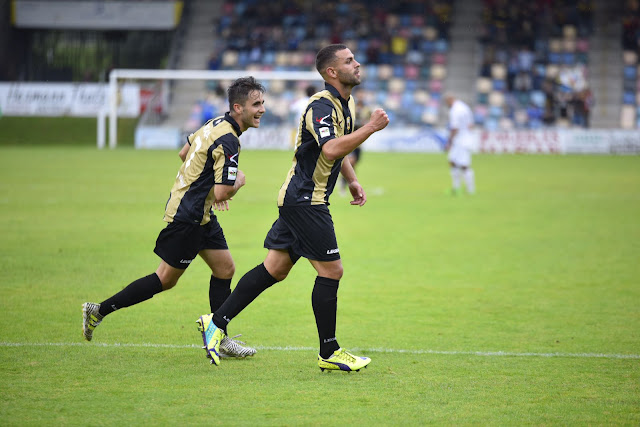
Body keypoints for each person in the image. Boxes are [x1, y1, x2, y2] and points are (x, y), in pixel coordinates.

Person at [196, 44, 390, 371]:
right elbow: (330, 148)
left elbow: (333, 152)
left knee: (275, 268)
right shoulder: (321, 106)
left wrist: (352, 179)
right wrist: (369, 128)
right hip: (305, 199)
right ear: (331, 72)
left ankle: (215, 322)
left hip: (301, 197)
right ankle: (329, 351)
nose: (357, 65)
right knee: (332, 270)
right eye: (349, 61)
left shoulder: (347, 103)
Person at [82, 77, 267, 359]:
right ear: (238, 107)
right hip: (188, 217)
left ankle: (219, 335)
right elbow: (222, 192)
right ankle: (99, 311)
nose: (262, 109)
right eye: (256, 104)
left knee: (225, 269)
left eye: (263, 103)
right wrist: (235, 183)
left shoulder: (215, 123)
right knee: (165, 279)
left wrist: (209, 190)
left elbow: (185, 153)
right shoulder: (229, 140)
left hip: (199, 213)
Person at [444, 94, 475, 195]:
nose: (446, 105)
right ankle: (457, 188)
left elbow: (455, 128)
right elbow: (471, 125)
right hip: (466, 138)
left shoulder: (455, 110)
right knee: (453, 161)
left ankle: (470, 190)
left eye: (446, 102)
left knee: (464, 165)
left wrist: (449, 141)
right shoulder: (465, 107)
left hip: (460, 141)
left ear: (450, 100)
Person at [339, 98, 371, 195]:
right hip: (351, 142)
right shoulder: (351, 113)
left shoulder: (366, 111)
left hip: (358, 144)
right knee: (350, 162)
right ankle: (344, 184)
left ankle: (350, 182)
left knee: (354, 164)